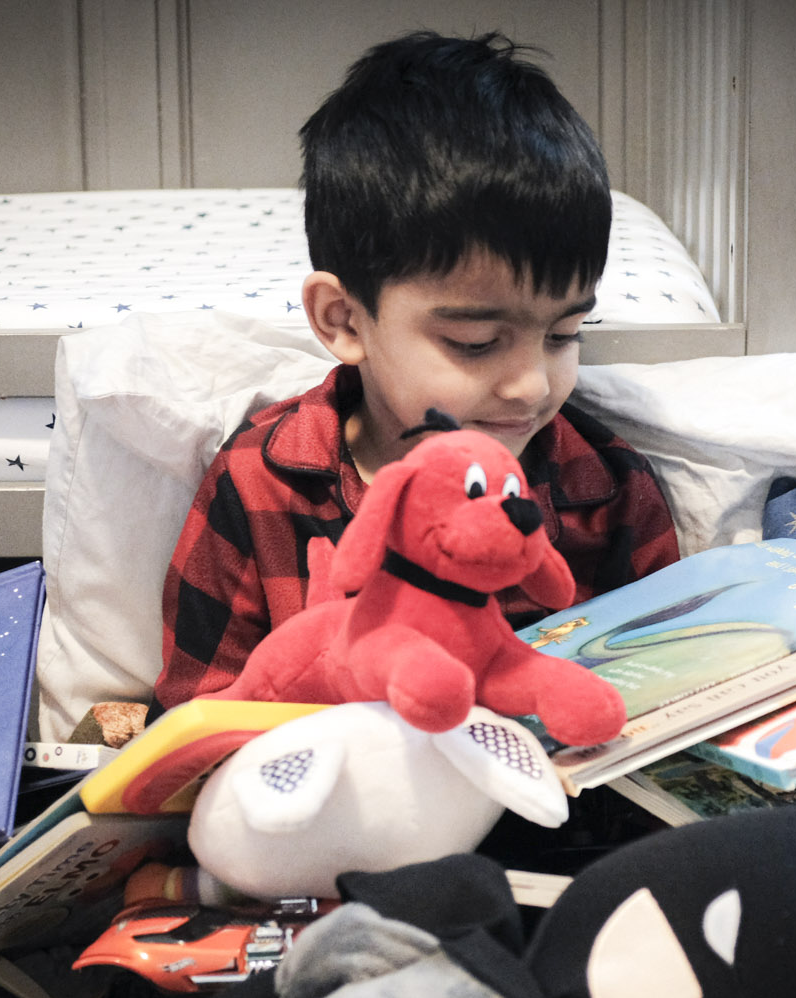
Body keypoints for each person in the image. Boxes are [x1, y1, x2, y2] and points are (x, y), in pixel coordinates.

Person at [153, 30, 681, 710]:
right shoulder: (261, 486)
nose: (533, 384)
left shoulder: (605, 489)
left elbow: (673, 684)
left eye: (563, 334)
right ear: (344, 320)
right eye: (476, 341)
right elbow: (197, 720)